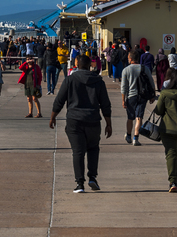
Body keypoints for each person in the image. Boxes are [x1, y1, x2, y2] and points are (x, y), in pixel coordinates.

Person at [49, 54, 112, 193]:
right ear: (90, 66)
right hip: (93, 120)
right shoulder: (98, 81)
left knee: (78, 152)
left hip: (74, 120)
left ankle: (79, 184)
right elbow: (105, 104)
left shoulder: (70, 80)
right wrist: (108, 123)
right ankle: (92, 177)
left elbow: (59, 101)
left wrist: (53, 117)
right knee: (93, 148)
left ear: (77, 65)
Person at [121, 50, 156, 146]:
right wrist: (152, 95)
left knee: (130, 117)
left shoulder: (126, 70)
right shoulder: (145, 68)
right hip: (143, 96)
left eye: (128, 58)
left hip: (131, 97)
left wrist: (123, 100)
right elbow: (151, 83)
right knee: (139, 117)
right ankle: (135, 138)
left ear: (131, 59)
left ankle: (128, 136)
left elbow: (123, 87)